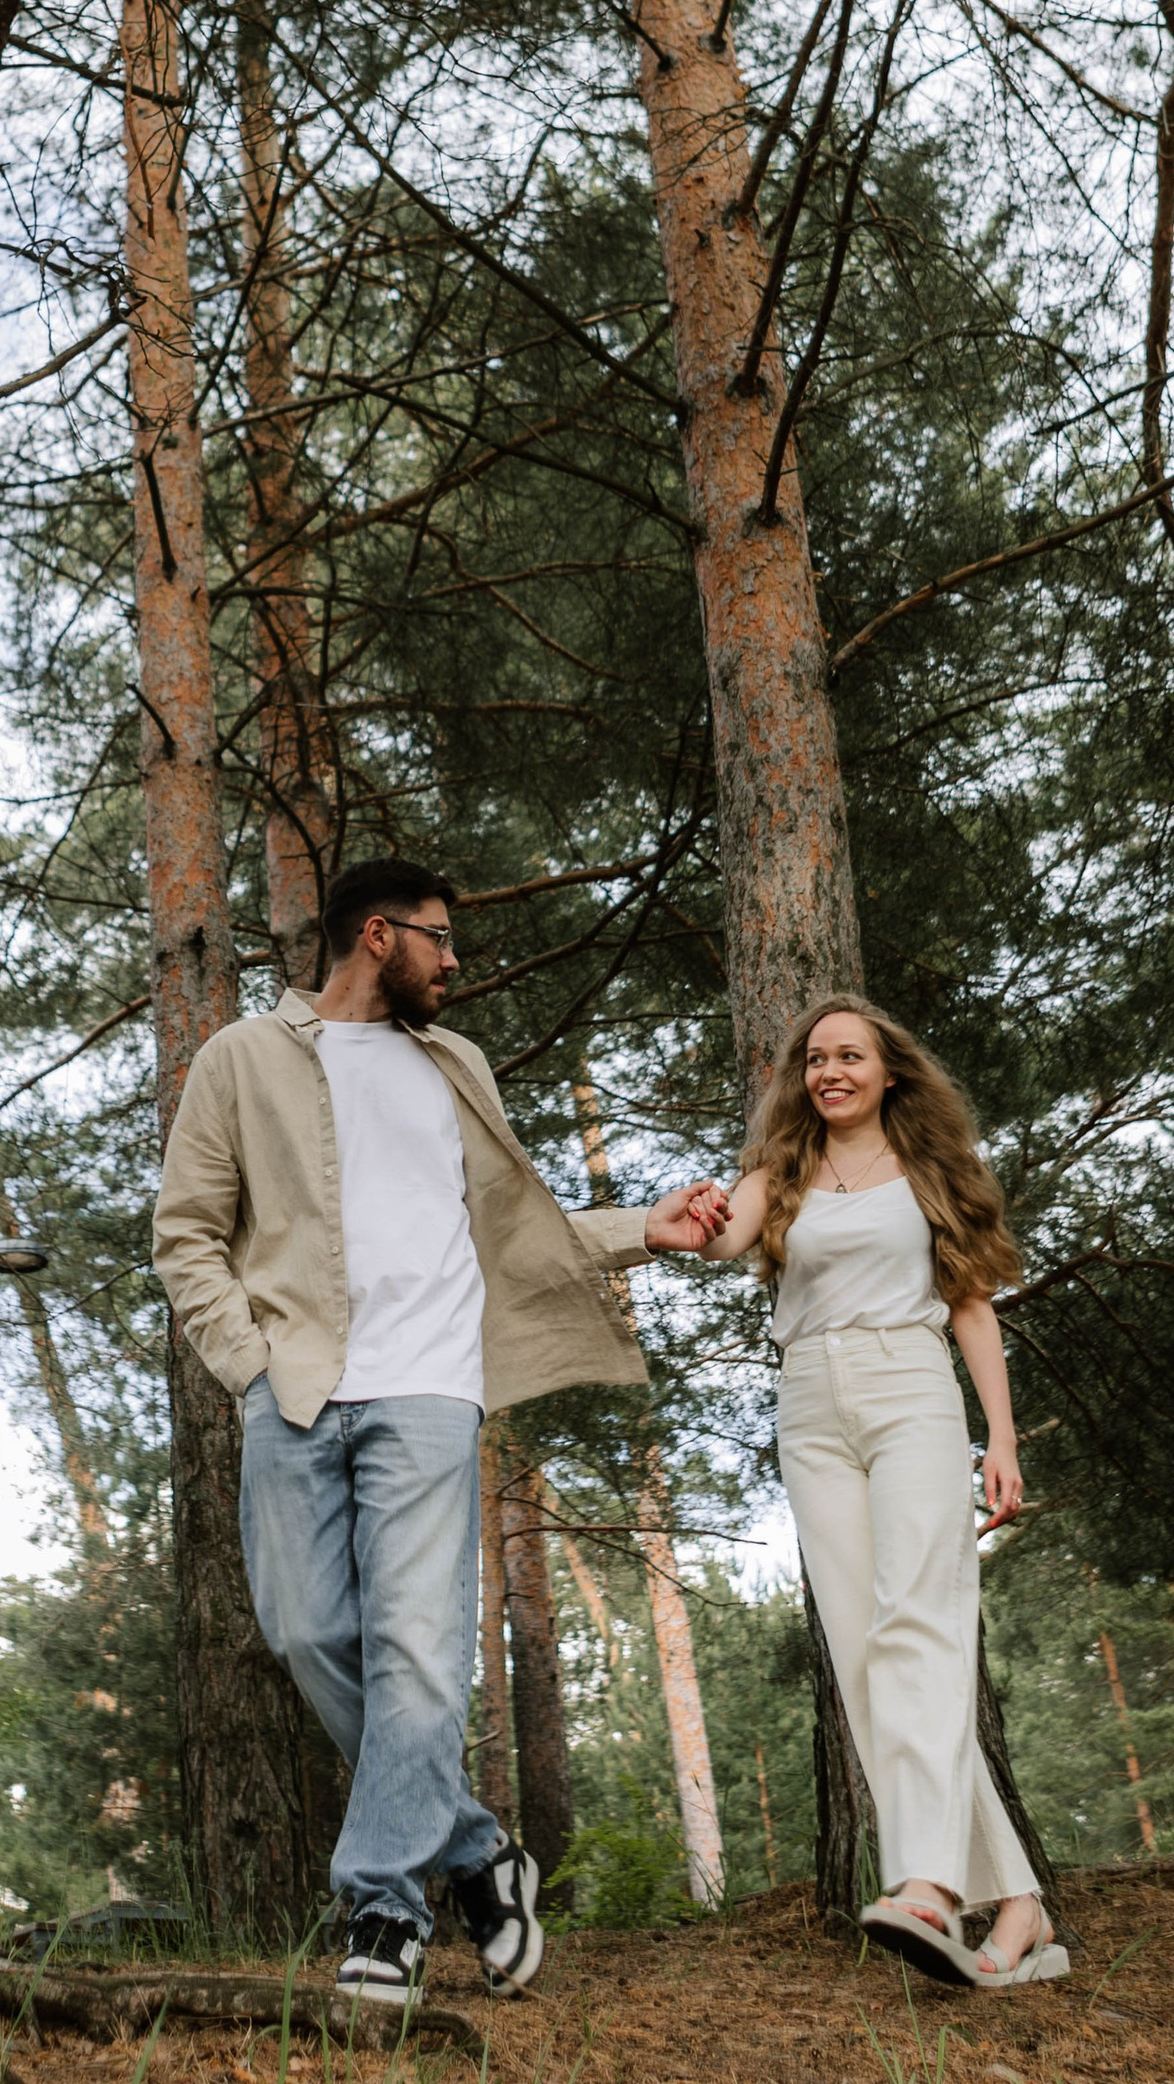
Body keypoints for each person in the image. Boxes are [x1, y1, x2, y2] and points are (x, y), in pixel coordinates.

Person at [154, 855, 722, 2006]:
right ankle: (477, 1851)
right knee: (310, 1635)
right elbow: (185, 1234)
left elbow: (518, 1230)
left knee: (418, 1652)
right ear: (377, 935)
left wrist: (640, 1231)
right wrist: (250, 1368)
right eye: (438, 938)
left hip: (426, 1392)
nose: (454, 962)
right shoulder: (242, 1059)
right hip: (296, 1387)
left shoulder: (454, 1067)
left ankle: (381, 1908)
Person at [693, 999, 1062, 1992]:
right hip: (809, 1400)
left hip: (909, 1389)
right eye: (814, 1059)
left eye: (848, 1056)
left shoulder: (930, 1171)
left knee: (918, 1629)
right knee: (864, 1653)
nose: (828, 1072)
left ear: (888, 1069)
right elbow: (717, 1240)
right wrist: (687, 1213)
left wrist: (1002, 1435)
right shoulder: (781, 1171)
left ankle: (929, 1886)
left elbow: (970, 1303)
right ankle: (1018, 1904)